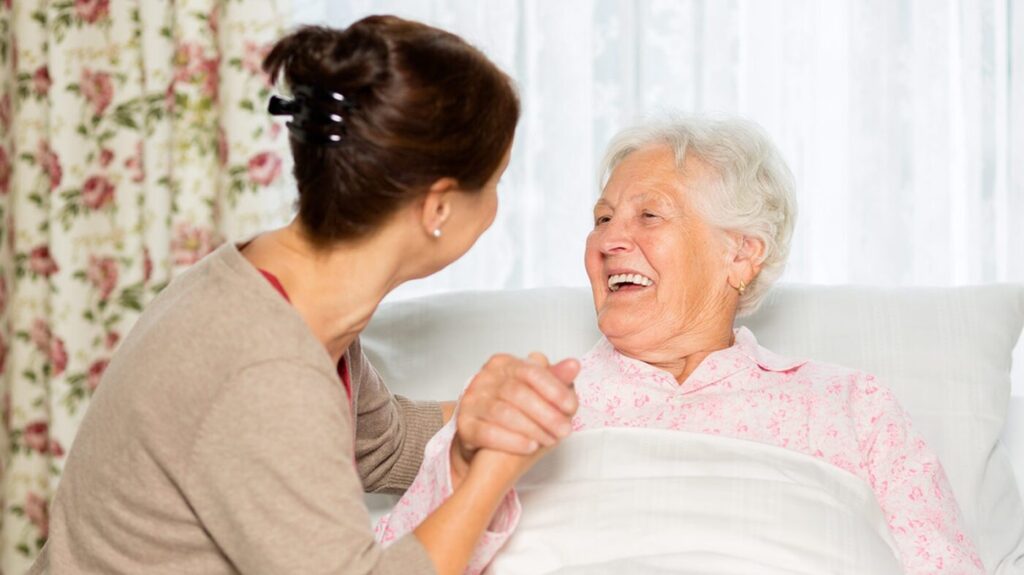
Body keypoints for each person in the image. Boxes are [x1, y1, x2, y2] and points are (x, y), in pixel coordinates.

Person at [29, 16, 579, 575]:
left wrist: (477, 422)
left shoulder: (295, 290)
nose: (494, 208)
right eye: (494, 183)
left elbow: (380, 447)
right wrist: (491, 475)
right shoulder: (266, 367)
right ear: (438, 208)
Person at [377, 116, 986, 574]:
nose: (609, 240)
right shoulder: (524, 404)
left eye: (649, 216)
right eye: (602, 217)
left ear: (741, 254)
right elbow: (394, 565)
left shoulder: (852, 405)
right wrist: (464, 461)